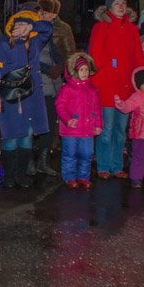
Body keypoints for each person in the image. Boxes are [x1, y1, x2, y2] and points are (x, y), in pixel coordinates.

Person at [0, 10, 53, 188]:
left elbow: (48, 28)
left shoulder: (35, 41)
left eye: (24, 25)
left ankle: (21, 175)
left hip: (32, 97)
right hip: (10, 97)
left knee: (27, 136)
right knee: (10, 137)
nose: (20, 28)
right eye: (18, 25)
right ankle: (9, 176)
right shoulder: (2, 42)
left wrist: (33, 26)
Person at [87, 0, 144, 179]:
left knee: (120, 130)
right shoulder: (101, 27)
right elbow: (94, 58)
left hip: (126, 87)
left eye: (123, 3)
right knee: (107, 129)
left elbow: (138, 58)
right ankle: (103, 165)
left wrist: (139, 81)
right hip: (107, 87)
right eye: (117, 3)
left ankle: (117, 165)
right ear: (109, 6)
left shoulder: (132, 29)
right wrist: (96, 83)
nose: (121, 6)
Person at [33, 0, 77, 177]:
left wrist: (61, 68)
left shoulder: (61, 29)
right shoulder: (32, 28)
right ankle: (30, 158)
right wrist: (47, 68)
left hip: (54, 81)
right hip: (36, 81)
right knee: (36, 122)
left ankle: (43, 158)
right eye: (42, 12)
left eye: (48, 12)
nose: (45, 15)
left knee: (50, 121)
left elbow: (67, 52)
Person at [55, 52, 102, 189]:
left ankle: (83, 176)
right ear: (74, 71)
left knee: (87, 154)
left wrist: (98, 124)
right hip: (71, 129)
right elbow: (60, 105)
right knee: (70, 154)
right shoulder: (67, 89)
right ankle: (69, 177)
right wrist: (68, 119)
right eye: (81, 70)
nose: (85, 72)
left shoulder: (92, 90)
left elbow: (97, 109)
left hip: (87, 129)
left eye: (87, 70)